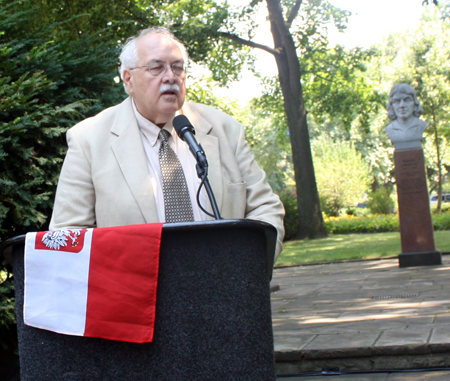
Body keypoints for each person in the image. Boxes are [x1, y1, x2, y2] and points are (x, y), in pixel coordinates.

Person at [49, 26, 285, 258]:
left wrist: (246, 271)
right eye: (157, 67)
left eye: (177, 67)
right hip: (136, 293)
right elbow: (69, 234)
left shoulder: (225, 129)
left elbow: (265, 207)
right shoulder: (88, 139)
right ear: (128, 79)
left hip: (223, 288)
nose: (170, 76)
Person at [385, 83, 428, 150]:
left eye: (407, 100)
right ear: (391, 105)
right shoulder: (390, 129)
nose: (402, 105)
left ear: (414, 103)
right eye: (397, 101)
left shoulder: (421, 125)